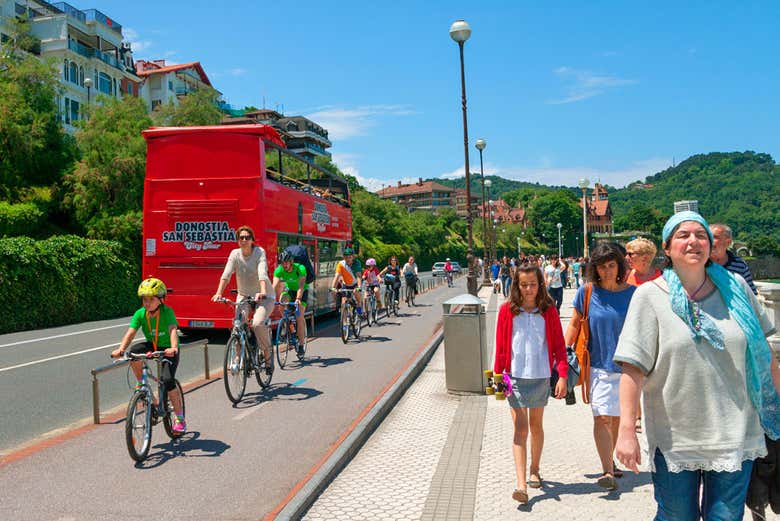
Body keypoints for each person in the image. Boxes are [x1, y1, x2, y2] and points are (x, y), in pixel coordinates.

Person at [614, 211, 780, 520]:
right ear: (667, 248)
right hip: (676, 437)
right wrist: (626, 430)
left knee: (726, 518)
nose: (694, 241)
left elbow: (766, 356)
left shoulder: (737, 290)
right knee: (677, 516)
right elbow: (632, 369)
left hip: (735, 434)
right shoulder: (649, 297)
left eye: (701, 235)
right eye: (683, 235)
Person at [564, 242, 636, 491]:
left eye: (611, 265)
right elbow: (574, 323)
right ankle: (607, 470)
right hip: (597, 366)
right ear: (594, 268)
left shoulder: (634, 294)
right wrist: (564, 353)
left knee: (616, 418)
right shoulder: (586, 292)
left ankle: (612, 462)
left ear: (620, 266)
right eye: (602, 267)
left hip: (628, 368)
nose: (607, 271)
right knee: (602, 417)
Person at [494, 265, 568, 504]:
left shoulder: (548, 311)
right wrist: (496, 383)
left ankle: (535, 468)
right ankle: (521, 484)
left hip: (540, 376)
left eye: (533, 285)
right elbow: (500, 348)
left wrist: (563, 376)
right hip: (512, 377)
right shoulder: (506, 310)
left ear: (540, 285)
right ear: (517, 286)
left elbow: (558, 346)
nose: (528, 290)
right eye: (524, 285)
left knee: (536, 426)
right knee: (520, 429)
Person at [112, 278, 186, 433]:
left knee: (167, 380)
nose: (147, 303)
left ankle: (179, 418)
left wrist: (173, 348)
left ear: (160, 299)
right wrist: (120, 349)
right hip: (153, 345)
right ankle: (142, 384)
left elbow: (173, 330)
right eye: (144, 299)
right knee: (133, 352)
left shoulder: (167, 312)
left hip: (168, 349)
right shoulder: (140, 314)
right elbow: (131, 332)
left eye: (151, 299)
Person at [212, 226, 275, 375]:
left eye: (247, 237)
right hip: (244, 295)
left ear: (252, 240)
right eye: (241, 238)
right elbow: (226, 273)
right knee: (237, 325)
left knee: (257, 323)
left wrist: (263, 291)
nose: (244, 240)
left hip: (264, 295)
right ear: (238, 241)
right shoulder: (235, 254)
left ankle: (267, 355)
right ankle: (237, 359)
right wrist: (218, 292)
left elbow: (262, 272)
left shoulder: (259, 252)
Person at [272, 250, 307, 350]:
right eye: (282, 263)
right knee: (281, 304)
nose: (284, 265)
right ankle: (288, 325)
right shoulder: (279, 270)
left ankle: (300, 345)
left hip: (302, 291)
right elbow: (274, 285)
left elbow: (301, 286)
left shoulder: (300, 268)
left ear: (291, 261)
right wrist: (268, 296)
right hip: (289, 290)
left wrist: (298, 299)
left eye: (286, 262)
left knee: (299, 316)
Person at [710, 223, 758, 295]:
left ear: (728, 242)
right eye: (707, 237)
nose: (709, 241)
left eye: (715, 237)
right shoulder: (699, 263)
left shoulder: (740, 264)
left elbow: (751, 293)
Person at [331, 247, 363, 315]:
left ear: (353, 257)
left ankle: (359, 305)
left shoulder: (357, 263)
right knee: (343, 303)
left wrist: (359, 287)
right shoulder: (341, 264)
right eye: (346, 257)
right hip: (346, 284)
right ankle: (345, 323)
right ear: (344, 257)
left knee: (356, 292)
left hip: (355, 284)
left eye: (350, 257)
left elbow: (358, 276)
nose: (348, 259)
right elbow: (336, 276)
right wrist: (333, 287)